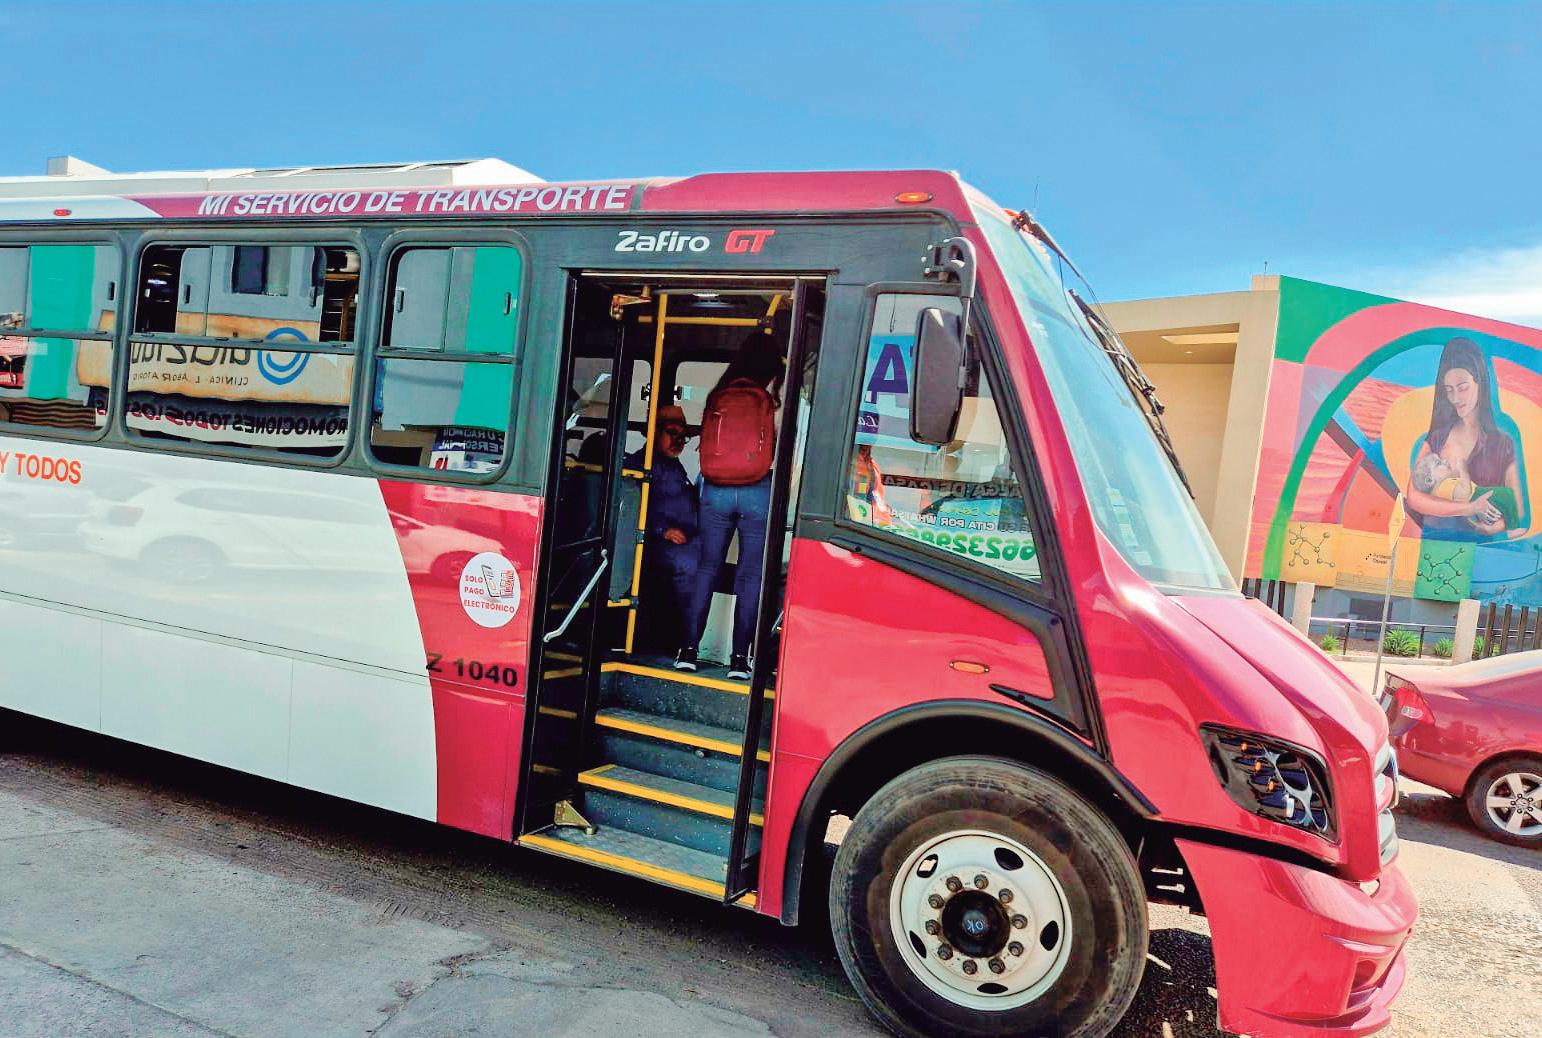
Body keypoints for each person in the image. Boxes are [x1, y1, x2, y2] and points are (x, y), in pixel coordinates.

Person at [676, 340, 783, 678]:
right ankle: (739, 659)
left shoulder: (719, 393)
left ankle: (688, 651)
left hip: (717, 488)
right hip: (759, 489)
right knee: (750, 574)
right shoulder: (775, 396)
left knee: (707, 567)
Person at [1405, 337, 1523, 538]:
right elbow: (1414, 497)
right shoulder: (1438, 438)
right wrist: (1469, 508)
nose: (1455, 398)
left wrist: (1496, 527)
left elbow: (1516, 507)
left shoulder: (1503, 443)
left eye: (1462, 387)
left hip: (1483, 544)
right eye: (1449, 390)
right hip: (1435, 538)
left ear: (1480, 384)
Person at [625, 405, 698, 651]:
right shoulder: (641, 465)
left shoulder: (674, 465)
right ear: (654, 432)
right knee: (690, 566)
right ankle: (681, 644)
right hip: (653, 544)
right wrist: (662, 530)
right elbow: (630, 511)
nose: (678, 441)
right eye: (672, 433)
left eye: (683, 436)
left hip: (683, 541)